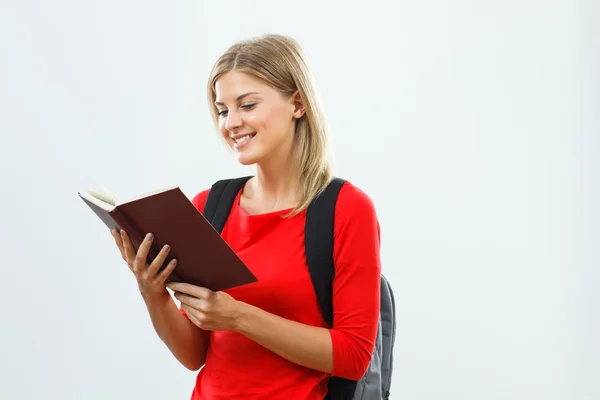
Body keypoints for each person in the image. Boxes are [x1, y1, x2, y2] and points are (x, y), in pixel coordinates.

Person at [110, 34, 382, 400]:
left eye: (247, 105)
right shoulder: (209, 205)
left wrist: (238, 317)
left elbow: (354, 356)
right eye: (223, 110)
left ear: (297, 103)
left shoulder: (346, 209)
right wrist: (153, 292)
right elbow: (194, 354)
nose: (230, 123)